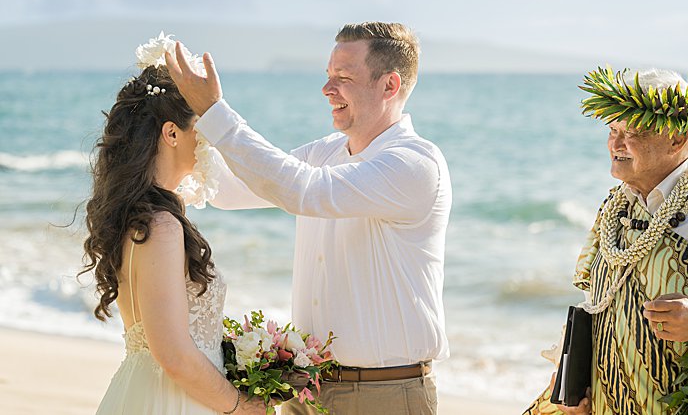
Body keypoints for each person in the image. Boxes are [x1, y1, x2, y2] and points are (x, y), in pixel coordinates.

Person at [164, 22, 451, 414]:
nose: (327, 89)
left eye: (344, 78)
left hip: (386, 395)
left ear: (390, 85)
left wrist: (216, 112)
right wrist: (180, 133)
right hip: (306, 390)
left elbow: (304, 191)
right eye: (328, 76)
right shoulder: (326, 153)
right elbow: (232, 191)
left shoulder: (415, 164)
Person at [526, 68, 688, 415]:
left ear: (677, 138)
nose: (615, 145)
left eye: (633, 133)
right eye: (613, 131)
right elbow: (595, 308)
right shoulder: (615, 206)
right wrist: (574, 390)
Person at [86, 38, 267, 415]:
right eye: (202, 127)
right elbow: (173, 354)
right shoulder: (162, 226)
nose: (210, 140)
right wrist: (241, 405)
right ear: (171, 133)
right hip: (176, 400)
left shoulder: (134, 218)